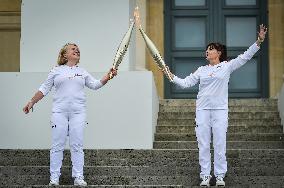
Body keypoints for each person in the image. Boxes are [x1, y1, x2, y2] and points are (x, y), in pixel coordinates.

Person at [163, 25, 267, 187]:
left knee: (219, 143)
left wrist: (259, 41)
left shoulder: (227, 66)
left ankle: (219, 176)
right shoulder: (201, 70)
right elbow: (185, 83)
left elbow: (245, 57)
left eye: (211, 49)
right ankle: (205, 176)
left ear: (218, 53)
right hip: (202, 110)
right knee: (203, 144)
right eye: (206, 49)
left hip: (220, 110)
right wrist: (171, 76)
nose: (207, 51)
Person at [23, 43, 117, 186]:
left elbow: (96, 84)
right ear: (64, 54)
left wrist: (109, 76)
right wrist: (31, 102)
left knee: (77, 145)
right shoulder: (56, 70)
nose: (77, 50)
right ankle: (54, 178)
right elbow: (44, 88)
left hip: (78, 113)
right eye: (73, 48)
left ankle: (78, 177)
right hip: (59, 113)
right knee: (57, 145)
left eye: (78, 49)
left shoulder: (82, 71)